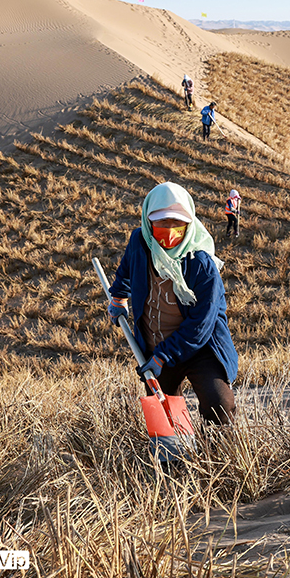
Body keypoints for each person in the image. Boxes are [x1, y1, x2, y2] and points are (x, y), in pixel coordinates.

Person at [108, 182, 238, 425]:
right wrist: (118, 296)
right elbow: (126, 267)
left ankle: (220, 456)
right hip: (155, 343)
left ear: (188, 224)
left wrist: (163, 356)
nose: (169, 230)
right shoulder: (140, 242)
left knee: (219, 403)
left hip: (199, 348)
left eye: (177, 223)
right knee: (163, 412)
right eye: (162, 223)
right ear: (149, 223)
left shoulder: (202, 265)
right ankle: (173, 460)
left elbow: (200, 325)